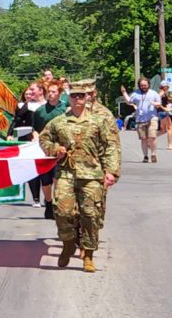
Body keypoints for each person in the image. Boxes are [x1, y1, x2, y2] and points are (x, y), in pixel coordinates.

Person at [39, 80, 121, 272]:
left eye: (81, 96)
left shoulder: (98, 121)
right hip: (67, 173)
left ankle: (89, 255)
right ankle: (68, 244)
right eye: (74, 95)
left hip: (92, 174)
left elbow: (111, 147)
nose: (77, 99)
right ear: (69, 97)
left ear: (87, 98)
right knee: (63, 212)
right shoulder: (59, 121)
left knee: (91, 215)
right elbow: (44, 138)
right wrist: (54, 148)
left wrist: (112, 171)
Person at [31, 81, 67, 219]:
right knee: (46, 181)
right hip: (44, 149)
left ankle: (58, 204)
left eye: (54, 92)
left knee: (58, 178)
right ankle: (48, 202)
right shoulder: (40, 111)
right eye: (49, 92)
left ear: (59, 93)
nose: (51, 94)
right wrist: (35, 138)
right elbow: (35, 130)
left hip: (60, 150)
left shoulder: (65, 110)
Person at [121, 78, 161, 163]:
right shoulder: (136, 93)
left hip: (152, 117)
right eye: (142, 85)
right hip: (140, 119)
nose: (143, 87)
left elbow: (159, 104)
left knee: (152, 136)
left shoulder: (154, 93)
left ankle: (153, 154)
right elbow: (129, 101)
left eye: (145, 85)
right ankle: (145, 156)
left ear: (148, 85)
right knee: (144, 139)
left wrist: (154, 104)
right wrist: (124, 93)